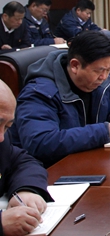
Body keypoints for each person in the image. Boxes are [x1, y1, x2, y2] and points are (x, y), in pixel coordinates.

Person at [10, 31, 110, 167]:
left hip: (90, 160)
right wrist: (105, 132)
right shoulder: (39, 93)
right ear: (75, 66)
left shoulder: (100, 82)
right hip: (52, 170)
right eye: (99, 71)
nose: (104, 77)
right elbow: (40, 143)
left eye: (109, 70)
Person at [0, 79, 54, 236]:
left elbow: (23, 162)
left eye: (7, 127)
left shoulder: (3, 141)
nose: (1, 137)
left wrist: (25, 190)